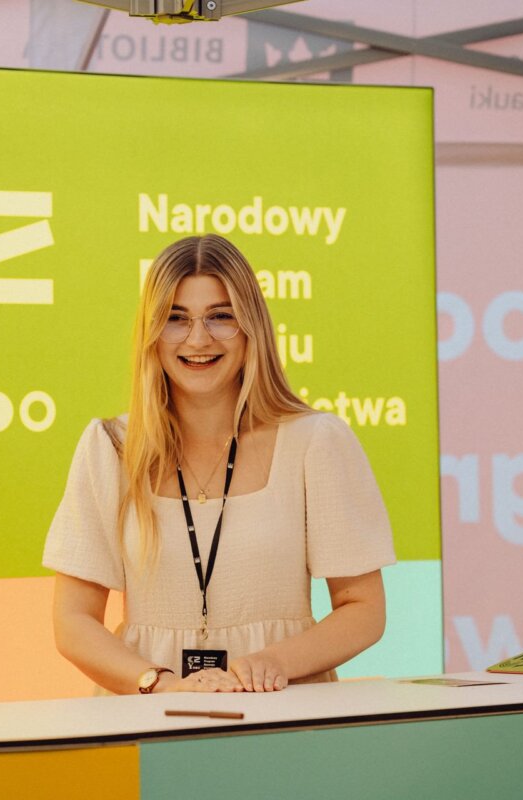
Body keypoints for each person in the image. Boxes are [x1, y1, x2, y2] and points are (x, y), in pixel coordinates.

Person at [44, 234, 395, 695]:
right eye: (175, 319)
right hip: (146, 717)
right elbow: (72, 621)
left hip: (283, 710)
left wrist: (273, 662)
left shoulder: (316, 441)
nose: (197, 338)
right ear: (151, 332)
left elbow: (363, 607)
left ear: (252, 327)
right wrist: (159, 683)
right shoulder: (110, 448)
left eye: (220, 317)